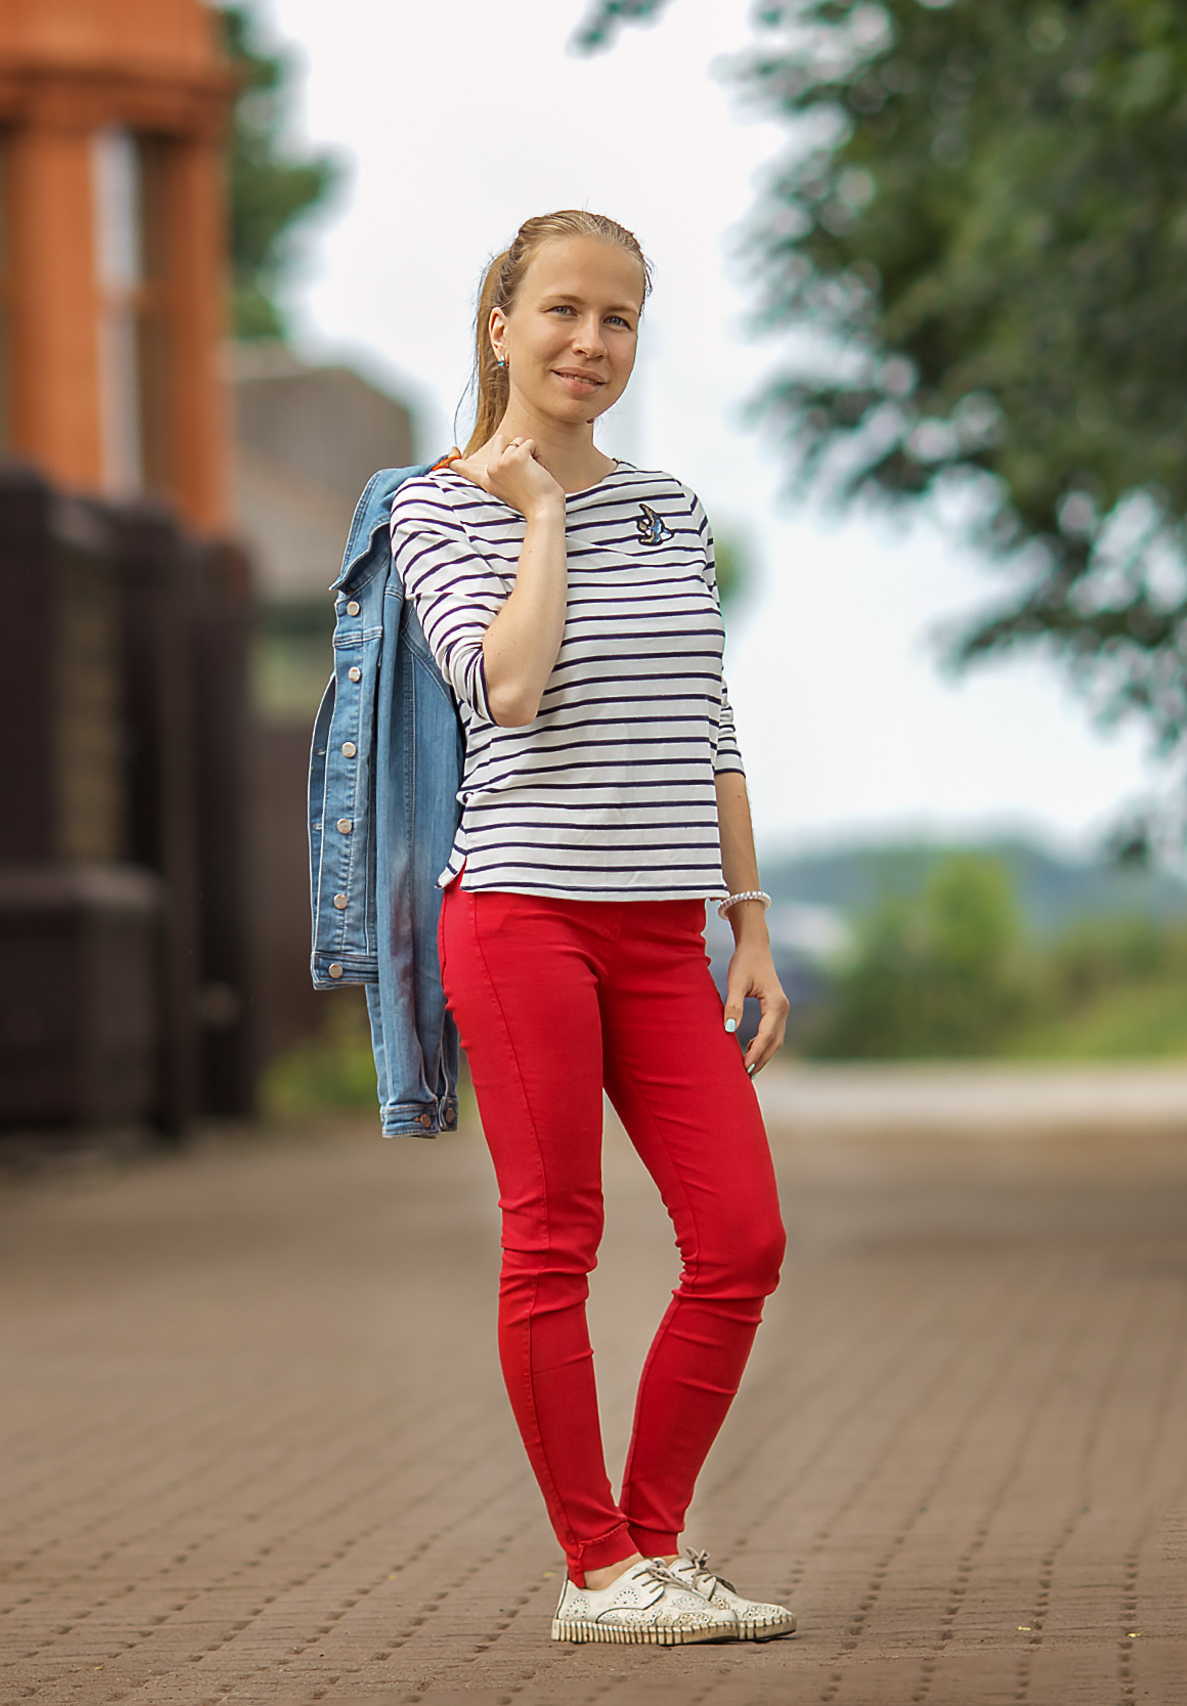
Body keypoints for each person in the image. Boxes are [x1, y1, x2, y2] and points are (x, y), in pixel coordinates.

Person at [389, 209, 797, 1647]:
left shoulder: (673, 505)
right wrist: (543, 508)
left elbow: (711, 721)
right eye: (563, 311)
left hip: (662, 931)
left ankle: (657, 1541)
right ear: (502, 321)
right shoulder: (434, 509)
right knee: (554, 1237)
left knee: (741, 1239)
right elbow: (504, 684)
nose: (590, 342)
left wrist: (745, 920)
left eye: (618, 319)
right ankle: (596, 1567)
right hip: (521, 920)